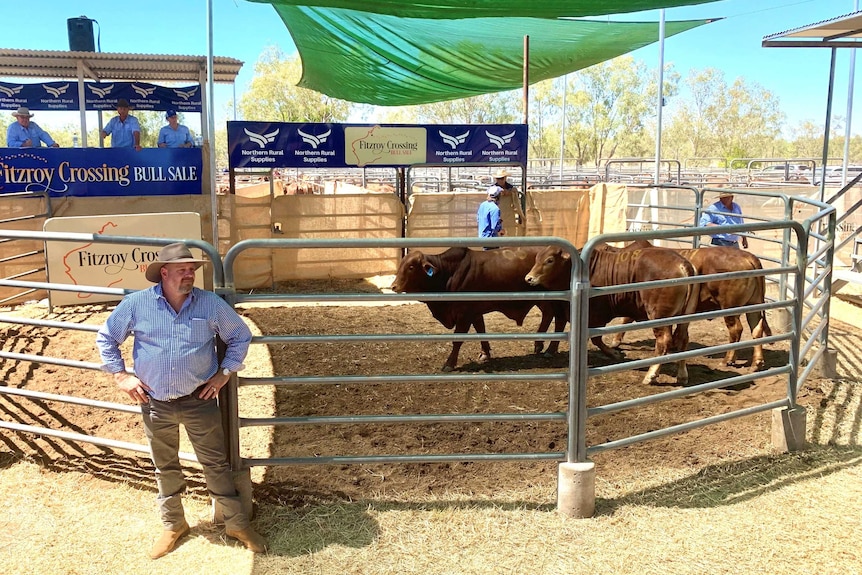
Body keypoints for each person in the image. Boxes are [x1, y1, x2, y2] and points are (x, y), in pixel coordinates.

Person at [96, 242, 266, 559]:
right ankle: (174, 525)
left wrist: (225, 373)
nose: (189, 275)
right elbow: (106, 337)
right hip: (155, 400)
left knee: (215, 463)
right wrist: (121, 376)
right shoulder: (136, 305)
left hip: (198, 399)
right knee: (165, 466)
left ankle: (235, 523)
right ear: (164, 273)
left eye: (192, 270)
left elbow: (240, 335)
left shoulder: (210, 304)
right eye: (182, 270)